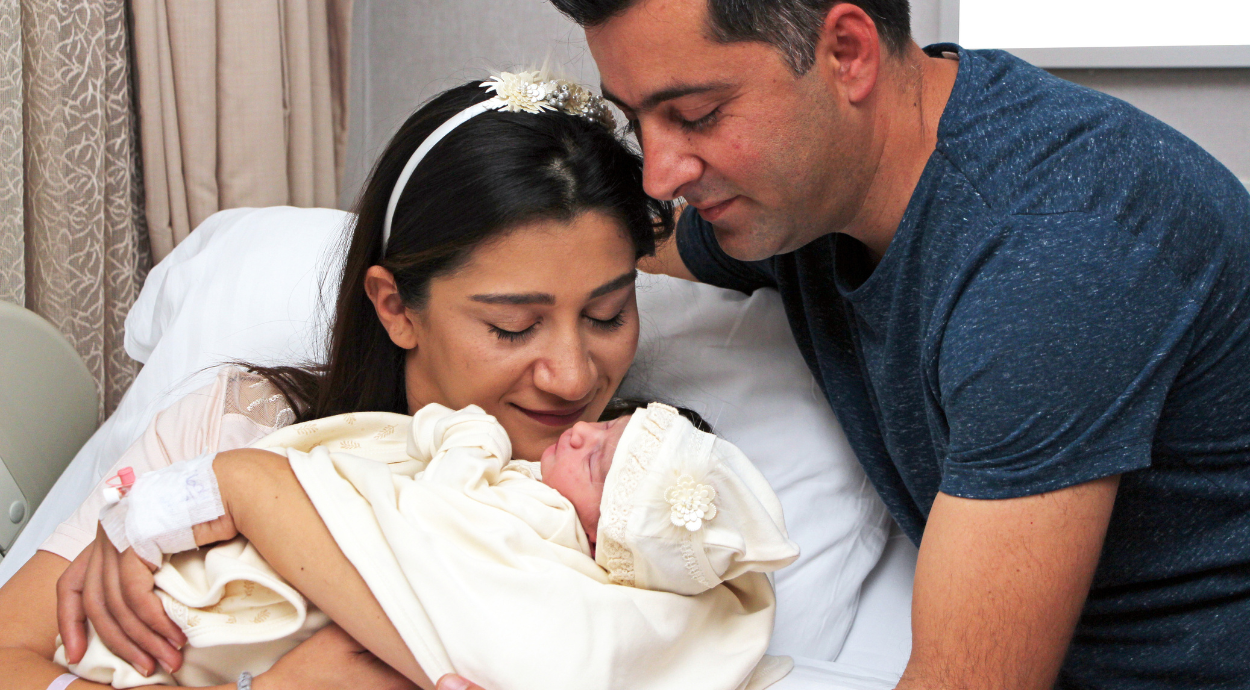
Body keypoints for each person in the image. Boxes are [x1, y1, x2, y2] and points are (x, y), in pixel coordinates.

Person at [540, 0, 1250, 688]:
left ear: (847, 54)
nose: (661, 173)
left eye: (697, 116)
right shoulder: (803, 193)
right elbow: (622, 248)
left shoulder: (1050, 257)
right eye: (637, 121)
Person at [0, 70, 676, 690]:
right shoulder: (237, 427)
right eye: (513, 328)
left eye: (607, 314)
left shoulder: (633, 503)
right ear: (394, 308)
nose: (572, 376)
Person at [61, 401, 799, 690]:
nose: (579, 420)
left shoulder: (545, 541)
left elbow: (447, 523)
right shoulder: (224, 414)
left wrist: (469, 437)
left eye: (600, 458)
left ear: (609, 541)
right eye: (609, 425)